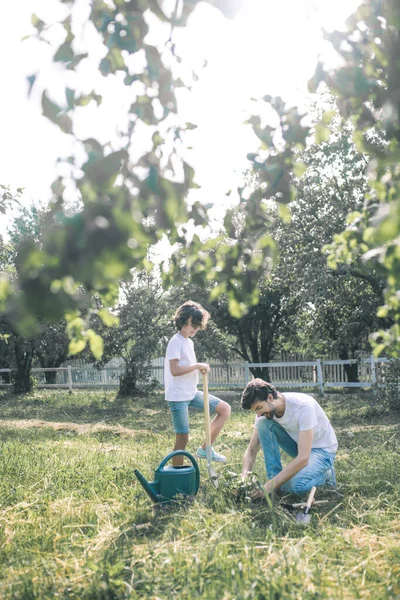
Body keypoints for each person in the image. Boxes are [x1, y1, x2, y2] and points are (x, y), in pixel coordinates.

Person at [240, 379, 337, 498]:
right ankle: (274, 483)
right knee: (263, 424)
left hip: (322, 451)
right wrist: (244, 478)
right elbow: (251, 450)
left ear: (270, 397)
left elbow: (303, 458)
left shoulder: (303, 407)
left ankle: (327, 474)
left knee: (294, 487)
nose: (258, 414)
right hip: (299, 445)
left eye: (259, 408)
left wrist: (268, 486)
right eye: (255, 410)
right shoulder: (264, 414)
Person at [164, 300, 231, 465]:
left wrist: (199, 368)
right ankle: (177, 474)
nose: (195, 328)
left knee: (224, 409)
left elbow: (187, 366)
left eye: (197, 325)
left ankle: (205, 448)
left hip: (191, 392)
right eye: (192, 324)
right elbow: (175, 370)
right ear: (183, 321)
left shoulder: (189, 342)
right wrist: (196, 366)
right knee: (183, 437)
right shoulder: (175, 341)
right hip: (178, 395)